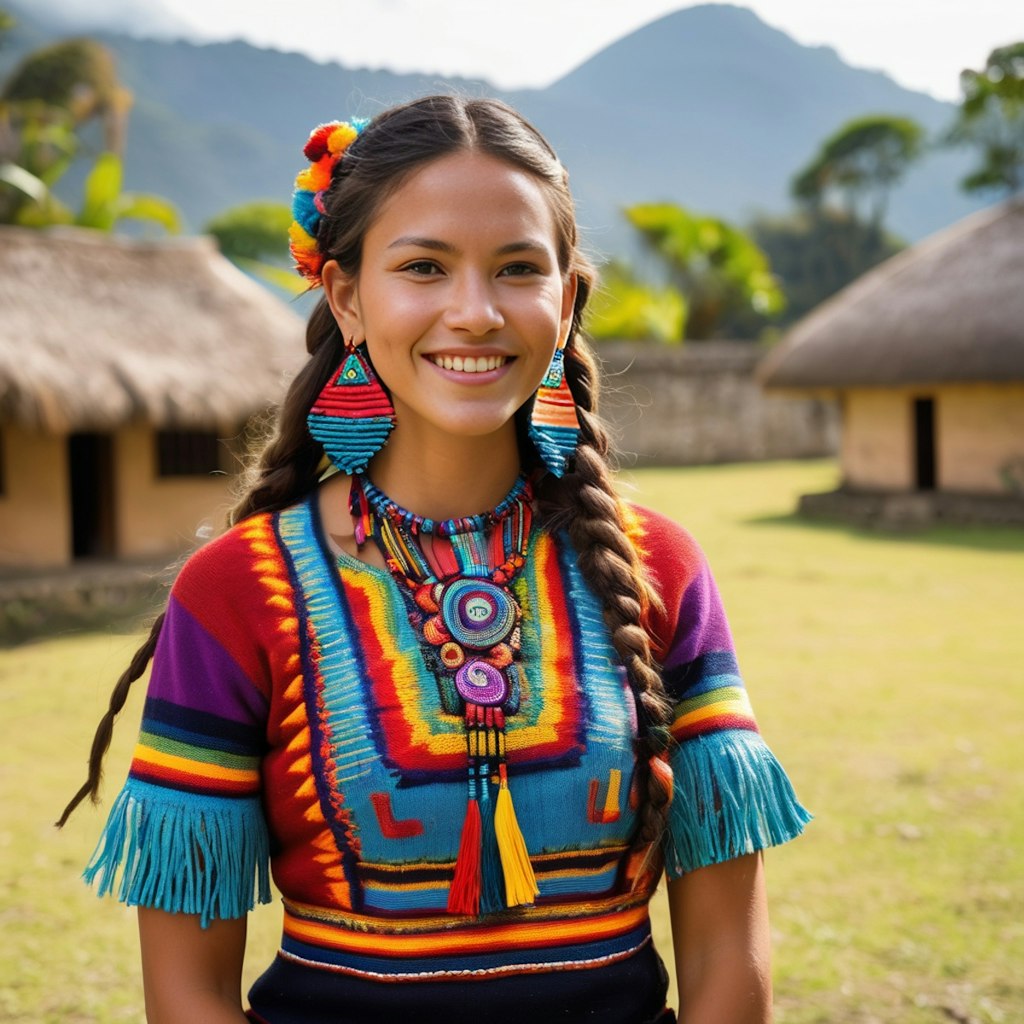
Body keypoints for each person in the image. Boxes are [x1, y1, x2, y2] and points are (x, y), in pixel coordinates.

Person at [60, 95, 810, 1024]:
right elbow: (188, 991)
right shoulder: (238, 592)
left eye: (518, 269)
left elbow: (723, 948)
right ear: (346, 296)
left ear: (566, 298)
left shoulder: (658, 563)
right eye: (423, 267)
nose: (475, 312)